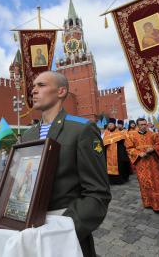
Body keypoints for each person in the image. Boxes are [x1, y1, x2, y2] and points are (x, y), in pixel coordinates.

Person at [22, 71, 111, 257]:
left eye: (41, 85)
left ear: (61, 91)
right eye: (33, 86)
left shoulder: (81, 129)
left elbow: (97, 193)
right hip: (29, 231)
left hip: (65, 230)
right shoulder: (28, 135)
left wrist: (65, 228)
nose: (33, 90)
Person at [125, 118, 159, 212]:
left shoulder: (154, 134)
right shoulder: (132, 136)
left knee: (157, 183)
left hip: (154, 163)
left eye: (145, 124)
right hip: (141, 164)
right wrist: (138, 153)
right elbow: (129, 149)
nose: (143, 126)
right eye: (141, 124)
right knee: (145, 183)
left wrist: (153, 148)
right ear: (137, 126)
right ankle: (149, 203)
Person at [103, 118, 131, 184]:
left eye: (111, 124)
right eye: (109, 124)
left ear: (114, 125)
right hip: (108, 153)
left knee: (120, 165)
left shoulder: (119, 132)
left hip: (118, 153)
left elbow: (123, 142)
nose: (110, 125)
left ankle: (121, 180)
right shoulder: (106, 134)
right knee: (108, 167)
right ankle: (111, 181)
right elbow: (104, 143)